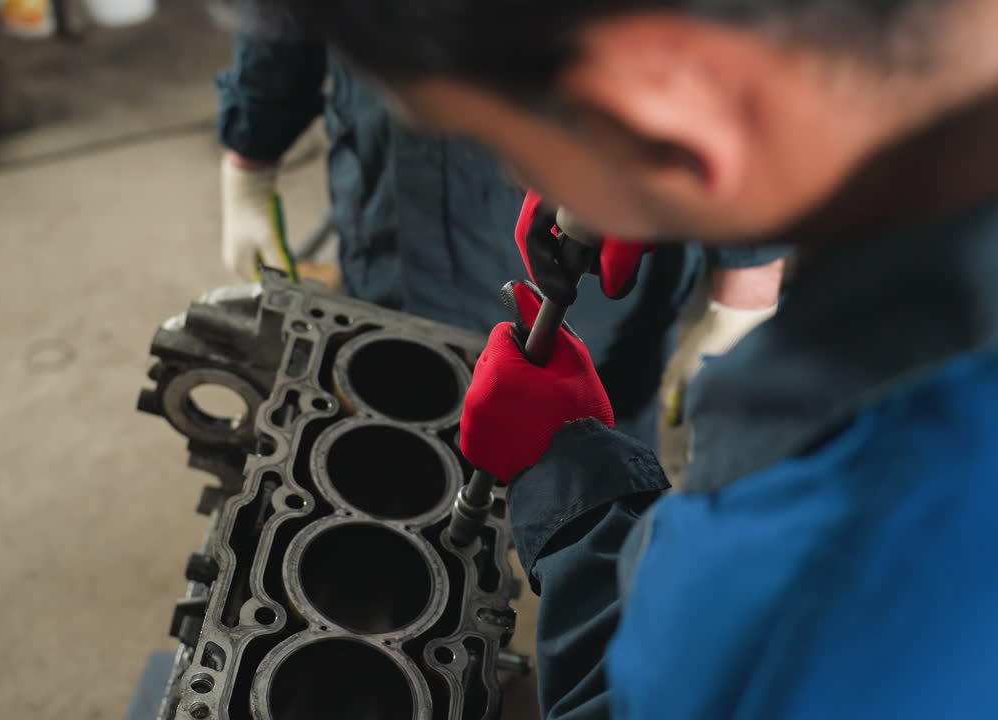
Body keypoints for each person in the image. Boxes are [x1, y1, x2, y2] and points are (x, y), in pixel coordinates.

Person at [260, 0, 998, 717]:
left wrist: (574, 482)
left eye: (500, 142)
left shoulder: (796, 599)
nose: (521, 177)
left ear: (666, 123)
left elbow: (642, 694)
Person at [214, 26, 786, 446]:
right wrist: (252, 151)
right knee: (395, 417)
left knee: (590, 451)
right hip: (391, 211)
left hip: (598, 240)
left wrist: (748, 275)